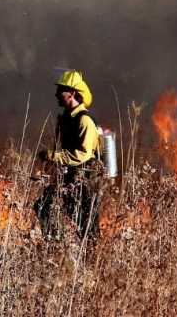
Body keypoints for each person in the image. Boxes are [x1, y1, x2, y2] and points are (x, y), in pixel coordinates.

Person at [33, 70, 103, 241]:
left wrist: (54, 156)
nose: (56, 94)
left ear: (72, 93)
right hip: (70, 177)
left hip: (85, 179)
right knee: (43, 206)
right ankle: (55, 244)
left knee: (87, 226)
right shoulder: (67, 118)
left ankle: (89, 252)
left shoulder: (84, 120)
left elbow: (83, 154)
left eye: (61, 90)